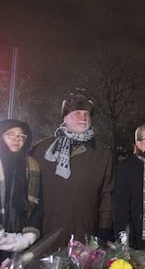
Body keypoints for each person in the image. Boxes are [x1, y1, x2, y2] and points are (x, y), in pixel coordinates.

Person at [30, 93, 113, 253]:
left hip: (83, 233)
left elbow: (107, 195)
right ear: (65, 118)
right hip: (44, 233)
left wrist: (103, 229)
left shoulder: (103, 154)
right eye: (77, 114)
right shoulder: (42, 149)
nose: (83, 118)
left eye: (86, 114)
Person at [0, 119, 41, 262]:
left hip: (21, 242)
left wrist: (29, 235)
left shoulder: (33, 165)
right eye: (10, 134)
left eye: (21, 136)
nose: (16, 139)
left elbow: (38, 202)